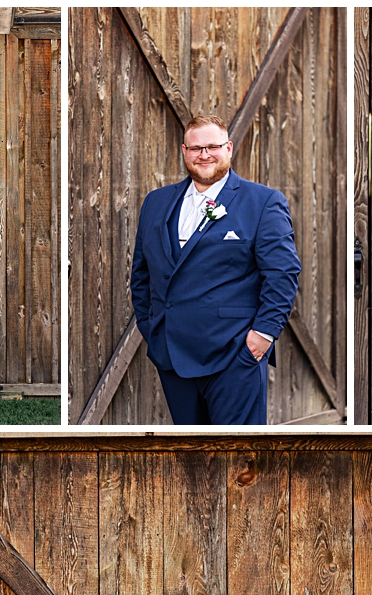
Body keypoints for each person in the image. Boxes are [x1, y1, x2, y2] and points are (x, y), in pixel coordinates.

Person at [129, 114, 301, 425]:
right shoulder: (156, 202)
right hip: (172, 357)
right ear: (184, 151)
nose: (204, 155)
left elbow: (282, 274)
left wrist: (262, 336)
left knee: (239, 460)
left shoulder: (262, 202)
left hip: (234, 356)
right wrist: (151, 328)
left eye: (212, 146)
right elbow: (141, 275)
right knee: (191, 458)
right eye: (196, 148)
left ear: (229, 148)